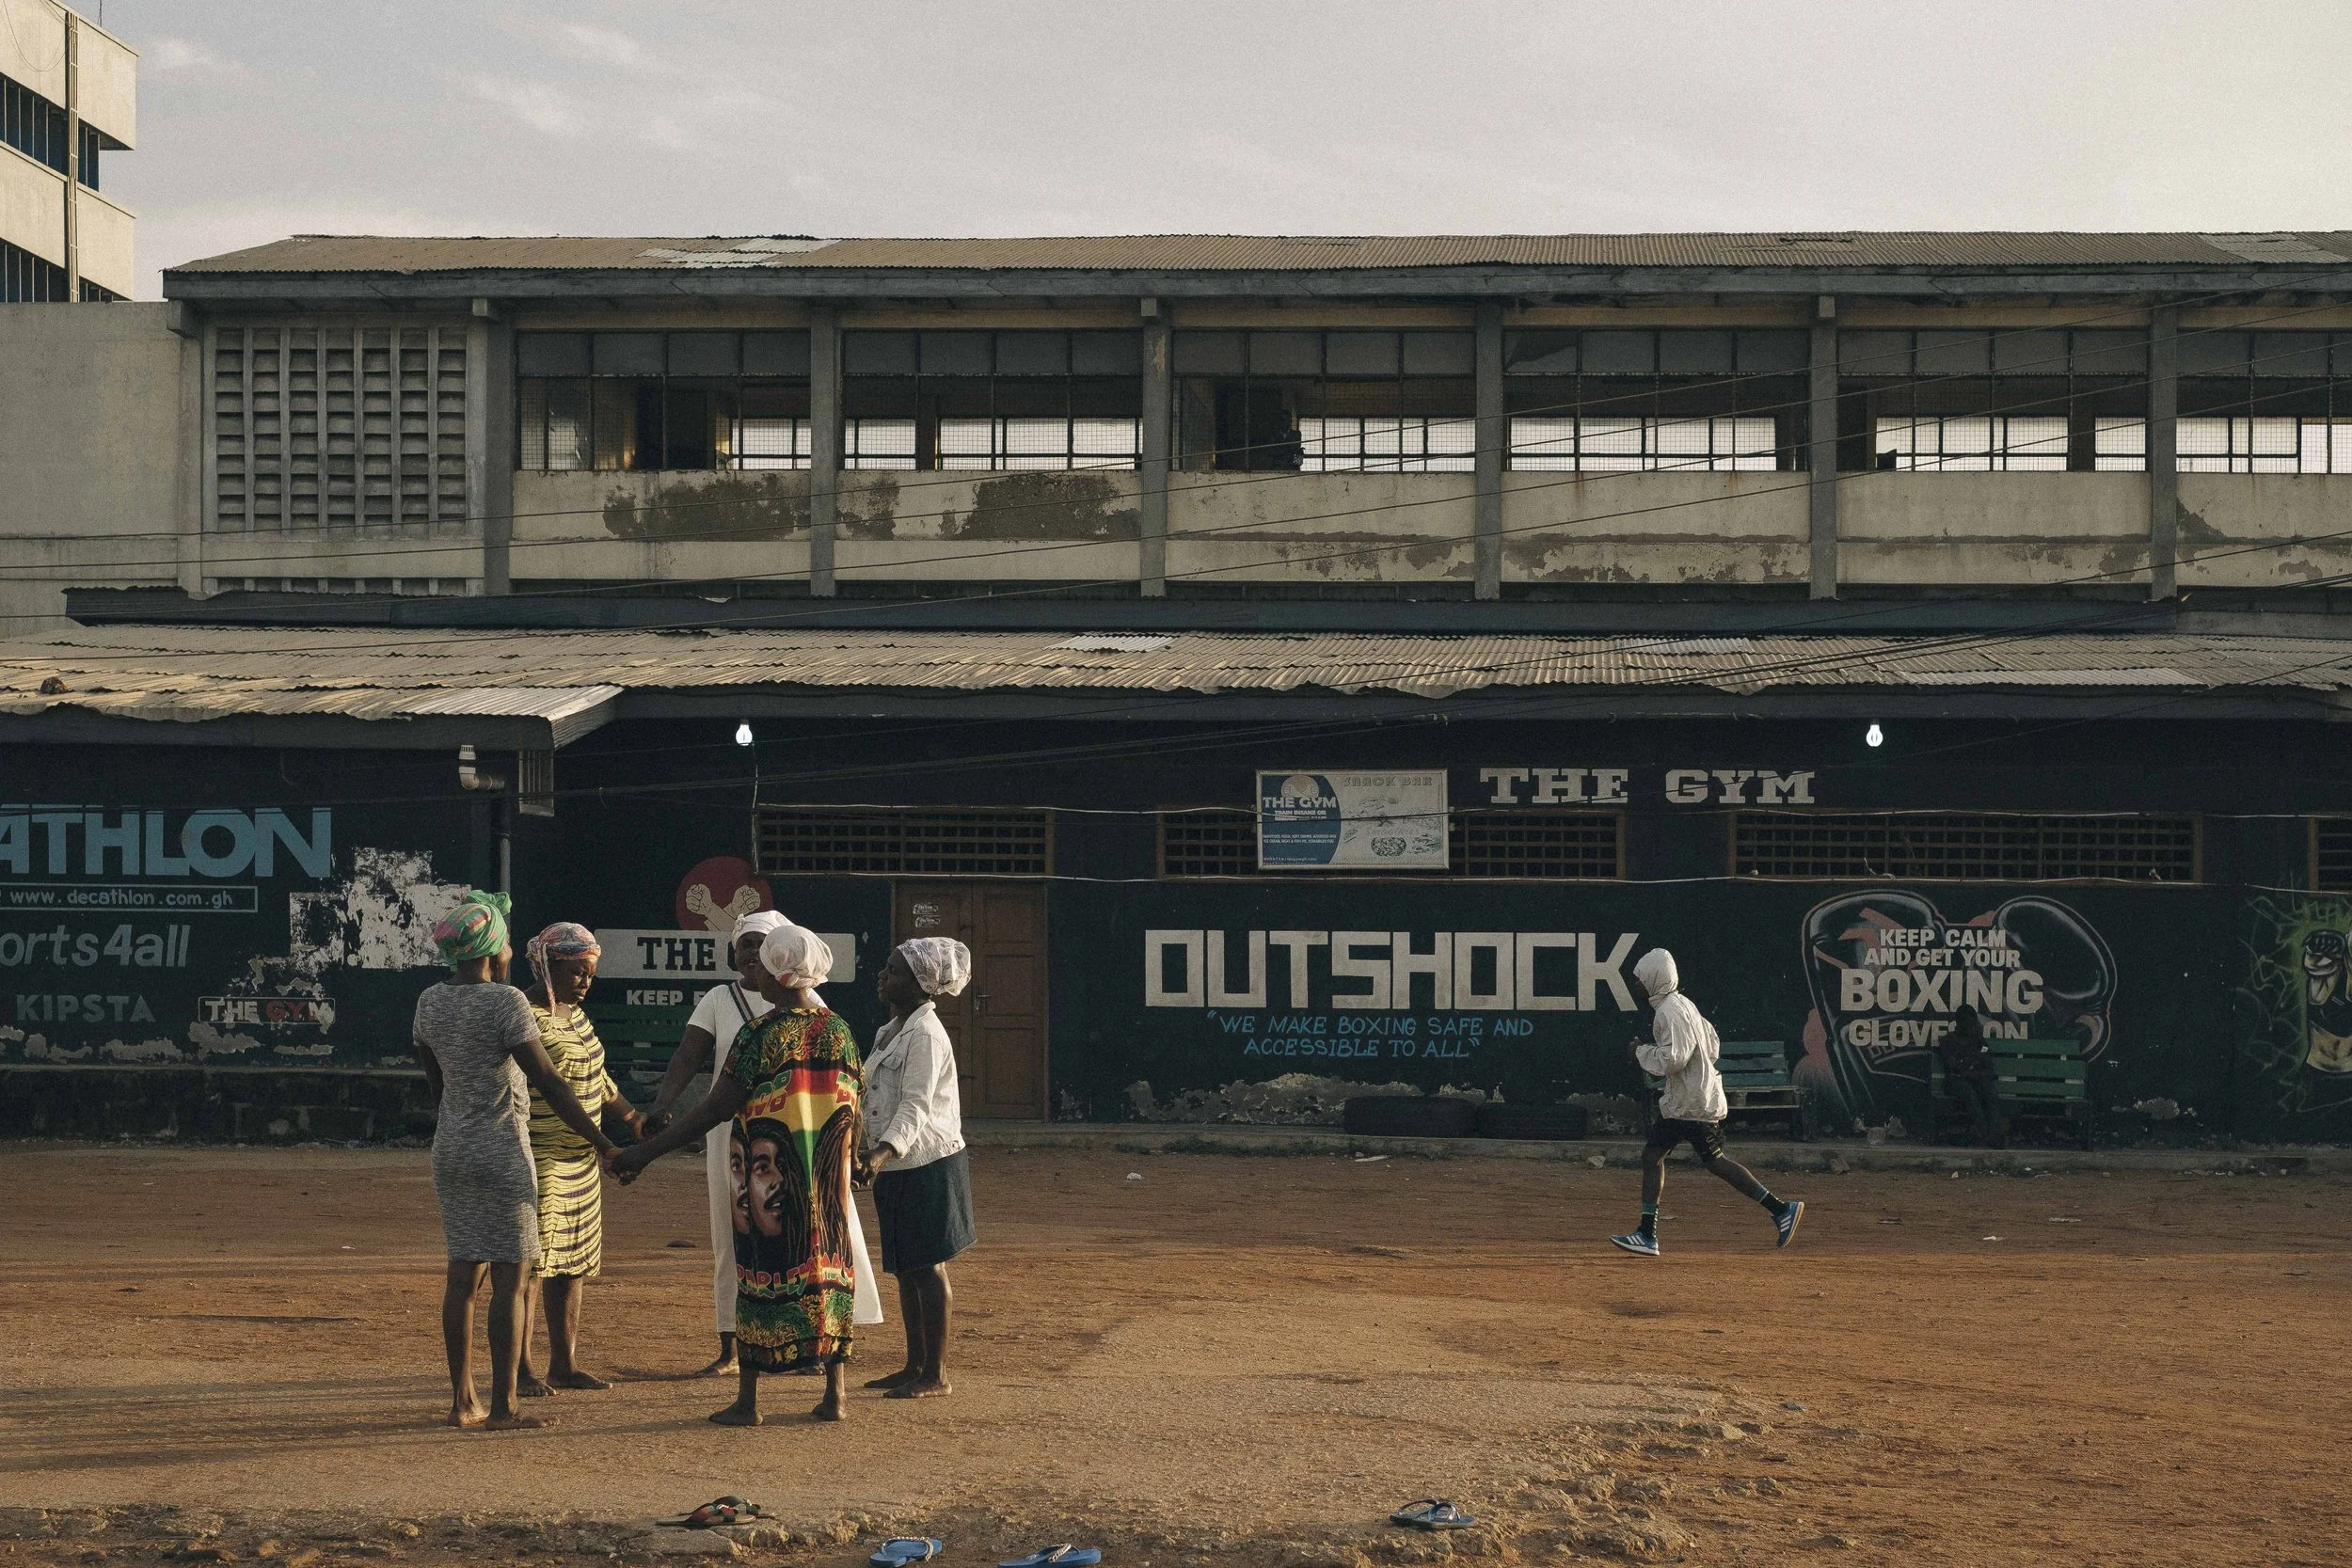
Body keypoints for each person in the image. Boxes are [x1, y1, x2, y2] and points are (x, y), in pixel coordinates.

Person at [613, 923, 863, 1425]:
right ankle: (834, 1393)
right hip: (823, 1178)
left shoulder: (760, 1035)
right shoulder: (839, 1029)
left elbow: (714, 1110)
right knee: (830, 1272)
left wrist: (644, 1153)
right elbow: (853, 1104)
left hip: (764, 1180)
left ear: (778, 972)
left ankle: (748, 1401)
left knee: (759, 1273)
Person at [411, 890, 616, 1431]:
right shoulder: (507, 1003)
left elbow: (437, 1082)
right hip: (503, 1149)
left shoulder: (429, 1002)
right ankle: (504, 1406)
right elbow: (549, 1081)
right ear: (492, 948)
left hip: (451, 1147)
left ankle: (461, 1402)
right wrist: (603, 1142)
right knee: (509, 1278)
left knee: (462, 1275)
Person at [648, 909, 784, 1378]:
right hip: (728, 1135)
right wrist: (663, 1105)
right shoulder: (718, 999)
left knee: (785, 1234)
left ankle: (794, 1343)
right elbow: (688, 1055)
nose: (751, 953)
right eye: (744, 944)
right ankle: (731, 1346)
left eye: (761, 945)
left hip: (784, 1136)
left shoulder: (802, 1000)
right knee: (729, 1236)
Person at [515, 922, 643, 1397]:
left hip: (581, 1162)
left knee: (572, 1264)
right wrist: (605, 1144)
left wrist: (632, 1118)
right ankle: (523, 1369)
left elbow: (597, 1077)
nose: (585, 983)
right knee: (532, 1266)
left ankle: (563, 1366)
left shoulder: (573, 1015)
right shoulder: (522, 1016)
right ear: (547, 966)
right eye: (576, 972)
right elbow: (557, 1087)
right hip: (543, 1157)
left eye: (590, 973)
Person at [1611, 947, 1803, 1258]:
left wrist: (1638, 1053)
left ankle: (1781, 1209)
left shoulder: (1668, 1012)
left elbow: (1672, 1060)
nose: (1636, 985)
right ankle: (1646, 1233)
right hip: (1687, 1101)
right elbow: (1712, 1043)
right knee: (1653, 1157)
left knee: (1712, 1162)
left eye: (1640, 979)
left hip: (1690, 1105)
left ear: (1654, 979)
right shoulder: (1683, 1005)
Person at [860, 938, 977, 1400]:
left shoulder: (926, 1035)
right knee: (906, 1268)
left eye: (892, 971)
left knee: (928, 1268)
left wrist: (880, 1153)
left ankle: (936, 1373)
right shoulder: (890, 1030)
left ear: (920, 983)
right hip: (894, 1162)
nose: (882, 976)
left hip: (927, 1161)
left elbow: (915, 1106)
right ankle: (913, 1365)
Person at [1939, 1004, 2006, 1148]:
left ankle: (1994, 1135)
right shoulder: (1948, 1040)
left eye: (1973, 1023)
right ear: (1959, 1023)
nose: (1972, 1027)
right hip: (1956, 1082)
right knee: (1969, 1094)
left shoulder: (1979, 1041)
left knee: (1990, 1093)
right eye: (1968, 1023)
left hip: (1976, 1079)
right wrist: (1971, 1064)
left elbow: (1988, 1067)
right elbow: (1954, 1067)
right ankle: (1986, 1135)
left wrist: (1972, 1069)